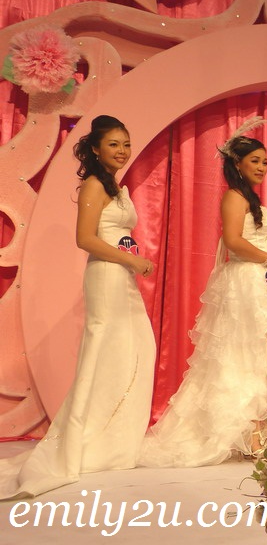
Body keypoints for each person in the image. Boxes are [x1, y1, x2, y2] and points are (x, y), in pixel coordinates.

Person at [0, 115, 157, 499]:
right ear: (96, 149)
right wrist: (131, 260)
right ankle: (82, 444)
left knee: (133, 351)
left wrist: (130, 261)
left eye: (126, 144)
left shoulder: (113, 185)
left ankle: (112, 441)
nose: (122, 151)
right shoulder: (93, 184)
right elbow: (85, 238)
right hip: (106, 275)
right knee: (103, 353)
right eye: (114, 144)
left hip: (120, 275)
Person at [137, 120, 267, 468]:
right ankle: (246, 432)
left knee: (266, 352)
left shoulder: (250, 198)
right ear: (237, 164)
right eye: (255, 161)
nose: (262, 167)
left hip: (261, 281)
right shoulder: (234, 197)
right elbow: (234, 241)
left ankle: (255, 427)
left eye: (265, 162)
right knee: (244, 352)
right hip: (245, 280)